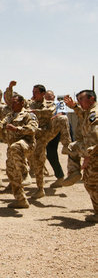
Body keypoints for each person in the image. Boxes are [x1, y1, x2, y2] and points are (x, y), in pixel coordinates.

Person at [0, 93, 38, 208]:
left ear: (22, 103)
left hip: (26, 144)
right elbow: (1, 127)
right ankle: (21, 200)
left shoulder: (29, 115)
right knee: (11, 172)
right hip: (12, 148)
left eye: (15, 102)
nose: (12, 104)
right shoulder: (9, 115)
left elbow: (33, 128)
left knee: (16, 146)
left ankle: (25, 173)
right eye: (11, 102)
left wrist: (17, 129)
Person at [64, 90, 98, 223]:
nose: (79, 102)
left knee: (92, 183)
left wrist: (87, 155)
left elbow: (95, 136)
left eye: (81, 99)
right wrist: (74, 107)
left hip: (94, 152)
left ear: (91, 99)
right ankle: (74, 171)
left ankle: (73, 171)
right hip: (93, 151)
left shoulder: (94, 113)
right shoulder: (89, 112)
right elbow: (82, 115)